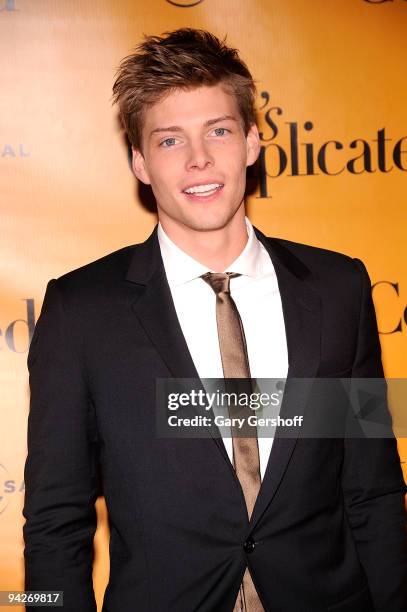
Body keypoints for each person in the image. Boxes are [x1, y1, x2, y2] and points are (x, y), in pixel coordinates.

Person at [23, 28, 406, 612]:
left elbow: (373, 488)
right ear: (140, 163)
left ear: (252, 142)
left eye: (219, 131)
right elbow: (53, 521)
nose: (198, 159)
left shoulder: (339, 289)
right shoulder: (80, 312)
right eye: (170, 140)